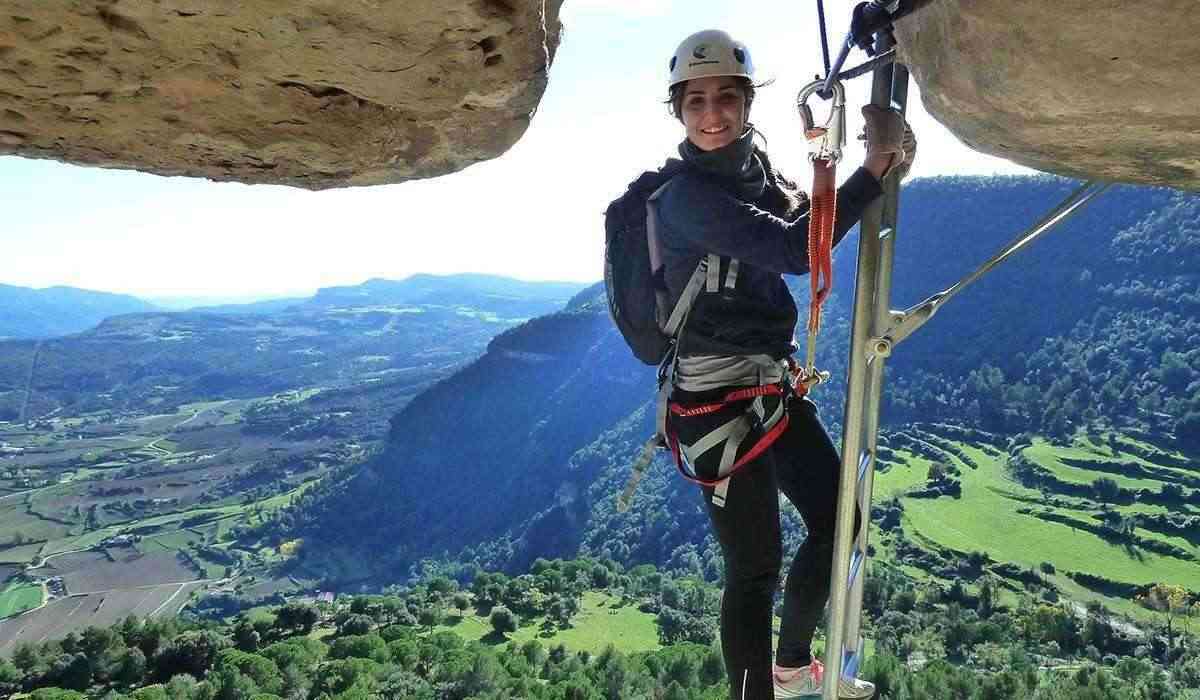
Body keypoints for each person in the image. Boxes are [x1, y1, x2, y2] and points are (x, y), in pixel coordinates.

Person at [653, 30, 915, 699]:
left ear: (746, 103)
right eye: (697, 102)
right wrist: (874, 168)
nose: (713, 115)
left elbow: (802, 226)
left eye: (726, 99)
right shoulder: (685, 198)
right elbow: (798, 250)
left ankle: (792, 661)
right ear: (679, 112)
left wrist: (837, 171)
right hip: (715, 405)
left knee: (840, 522)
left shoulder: (761, 180)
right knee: (754, 569)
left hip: (769, 388)